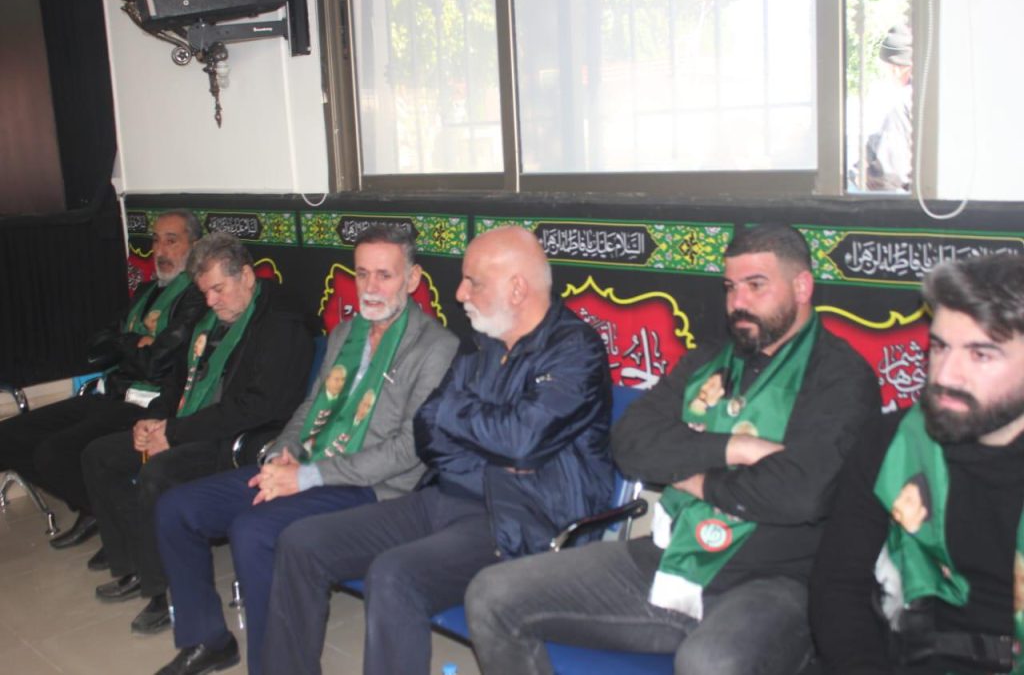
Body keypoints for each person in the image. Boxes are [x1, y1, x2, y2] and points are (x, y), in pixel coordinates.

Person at [465, 224, 880, 675]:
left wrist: (695, 478)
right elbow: (630, 443)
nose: (738, 302)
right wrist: (735, 447)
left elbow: (799, 493)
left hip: (775, 580)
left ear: (801, 287)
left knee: (709, 663)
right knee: (491, 595)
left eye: (756, 285)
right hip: (672, 555)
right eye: (730, 287)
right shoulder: (709, 361)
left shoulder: (841, 377)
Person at [261, 225, 615, 675]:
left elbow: (521, 442)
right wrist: (485, 442)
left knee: (394, 575)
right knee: (301, 543)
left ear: (517, 288)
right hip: (443, 497)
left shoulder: (576, 350)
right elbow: (428, 430)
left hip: (522, 519)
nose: (459, 293)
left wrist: (466, 424)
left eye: (473, 282)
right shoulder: (483, 345)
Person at [152, 225, 458, 675]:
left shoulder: (436, 347)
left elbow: (407, 452)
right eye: (362, 274)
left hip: (372, 487)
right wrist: (282, 454)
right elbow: (310, 407)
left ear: (412, 279)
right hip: (308, 464)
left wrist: (307, 476)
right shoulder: (345, 334)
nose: (371, 287)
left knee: (254, 531)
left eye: (385, 275)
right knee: (177, 508)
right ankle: (207, 640)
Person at [80, 232, 314, 636]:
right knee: (99, 456)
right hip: (191, 423)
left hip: (237, 437)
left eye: (218, 289)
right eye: (205, 292)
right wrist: (155, 419)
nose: (210, 301)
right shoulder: (214, 319)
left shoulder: (281, 322)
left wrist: (174, 433)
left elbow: (257, 407)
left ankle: (163, 591)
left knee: (158, 473)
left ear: (246, 276)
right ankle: (135, 566)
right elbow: (177, 379)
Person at [811, 254, 1024, 674]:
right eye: (940, 347)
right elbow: (838, 588)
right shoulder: (894, 442)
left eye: (981, 355)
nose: (945, 375)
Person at [0, 210, 205, 557]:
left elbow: (157, 363)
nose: (160, 250)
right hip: (114, 392)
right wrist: (135, 342)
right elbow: (96, 348)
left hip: (150, 403)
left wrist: (128, 344)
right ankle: (97, 509)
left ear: (195, 245)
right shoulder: (147, 292)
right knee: (9, 436)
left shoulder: (198, 296)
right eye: (156, 241)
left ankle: (117, 522)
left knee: (54, 452)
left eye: (171, 241)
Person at [856, 24, 914, 192]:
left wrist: (864, 175)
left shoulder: (901, 105)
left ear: (896, 68)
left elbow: (890, 175)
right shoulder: (916, 98)